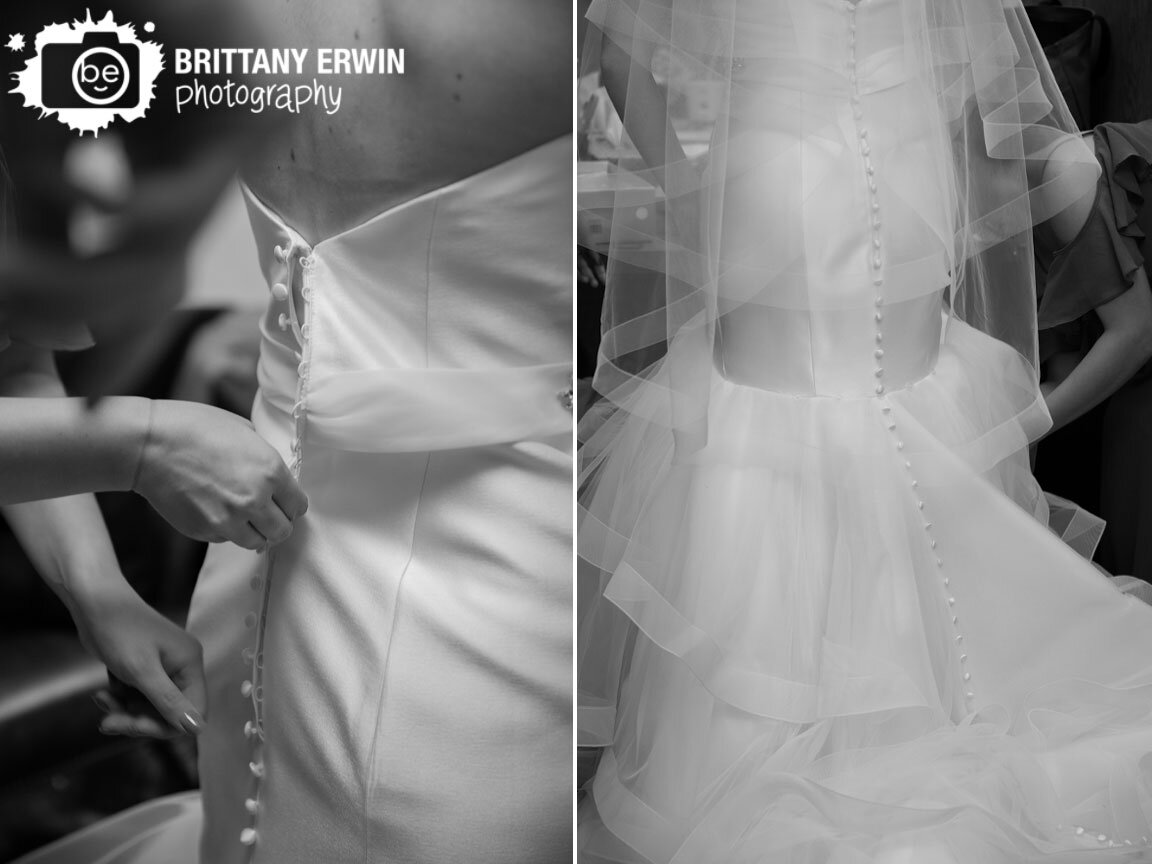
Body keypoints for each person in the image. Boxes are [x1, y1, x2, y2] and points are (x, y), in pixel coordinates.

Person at [578, 0, 1152, 861]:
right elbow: (988, 69)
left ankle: (756, 735)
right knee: (891, 400)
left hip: (765, 172)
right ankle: (916, 704)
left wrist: (691, 183)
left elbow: (609, 38)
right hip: (906, 162)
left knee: (768, 423)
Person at [15, 2, 573, 863]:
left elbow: (22, 349)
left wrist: (99, 588)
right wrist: (137, 451)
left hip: (263, 572)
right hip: (503, 586)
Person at [1033, 121, 1152, 581]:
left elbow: (1136, 333)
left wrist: (1017, 431)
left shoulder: (1063, 174)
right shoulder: (1008, 232)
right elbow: (1069, 370)